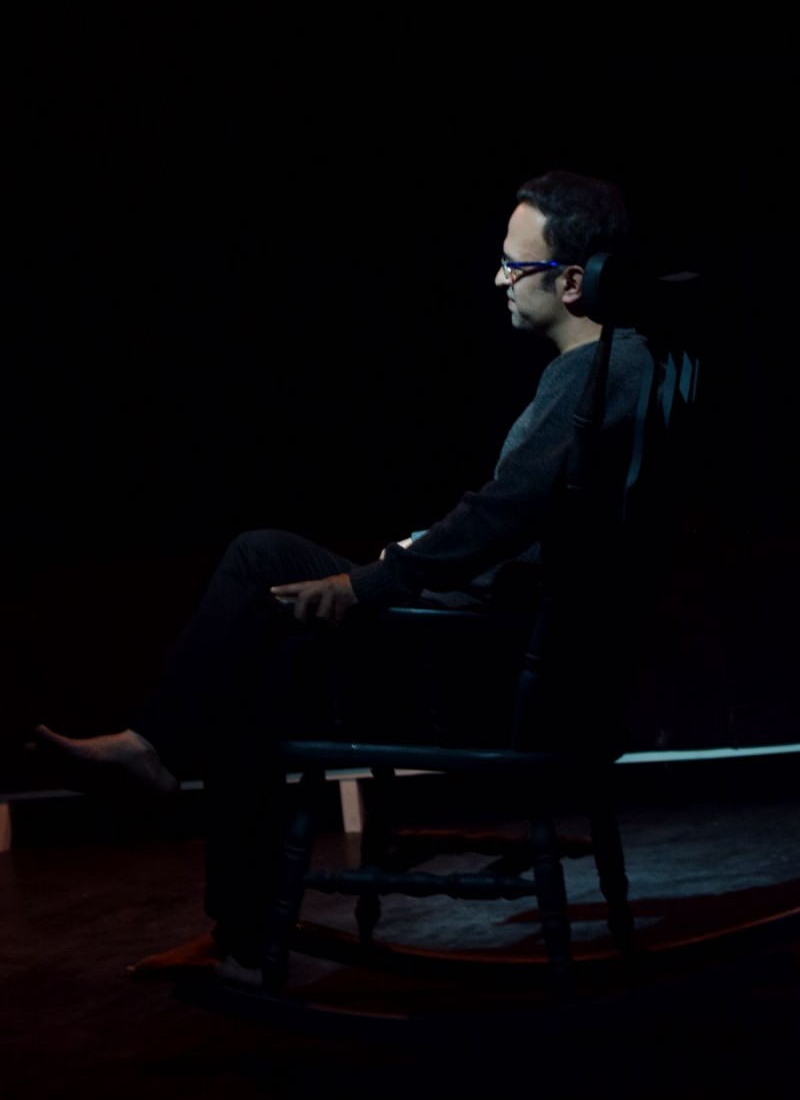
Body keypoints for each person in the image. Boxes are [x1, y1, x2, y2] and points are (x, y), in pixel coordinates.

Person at [30, 169, 651, 988]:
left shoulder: (598, 376)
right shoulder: (621, 365)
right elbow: (522, 521)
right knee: (262, 656)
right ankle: (221, 889)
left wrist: (372, 583)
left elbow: (502, 517)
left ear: (573, 282)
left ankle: (179, 799)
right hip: (490, 643)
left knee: (262, 563)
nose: (499, 279)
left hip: (480, 672)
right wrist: (411, 554)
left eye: (515, 264)